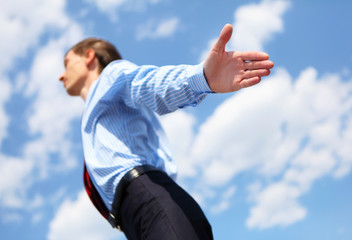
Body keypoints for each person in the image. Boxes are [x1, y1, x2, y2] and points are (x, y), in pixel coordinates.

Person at [59, 24, 274, 240]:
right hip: (136, 217)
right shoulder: (94, 114)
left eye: (67, 63)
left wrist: (203, 77)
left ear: (89, 57)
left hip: (150, 200)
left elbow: (148, 84)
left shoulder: (110, 76)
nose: (61, 76)